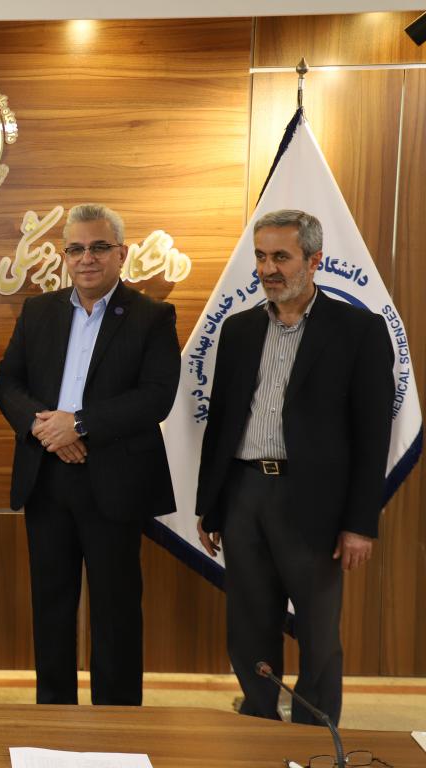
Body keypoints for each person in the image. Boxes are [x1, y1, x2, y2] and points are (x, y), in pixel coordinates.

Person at [196, 209, 393, 726]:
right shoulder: (238, 330)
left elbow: (373, 437)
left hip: (314, 503)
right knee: (249, 628)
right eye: (261, 257)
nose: (268, 269)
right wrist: (210, 505)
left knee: (318, 634)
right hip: (243, 495)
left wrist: (359, 523)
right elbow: (221, 423)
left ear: (314, 260)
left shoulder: (358, 330)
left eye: (281, 257)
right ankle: (260, 724)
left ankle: (313, 735)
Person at [0, 203, 179, 706]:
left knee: (116, 611)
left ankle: (118, 723)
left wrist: (79, 424)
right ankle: (53, 716)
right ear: (65, 256)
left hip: (114, 482)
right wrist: (46, 428)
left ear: (121, 253)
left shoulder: (151, 316)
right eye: (75, 249)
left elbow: (156, 396)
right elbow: (6, 383)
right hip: (47, 478)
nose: (86, 258)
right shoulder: (39, 311)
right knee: (50, 606)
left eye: (98, 247)